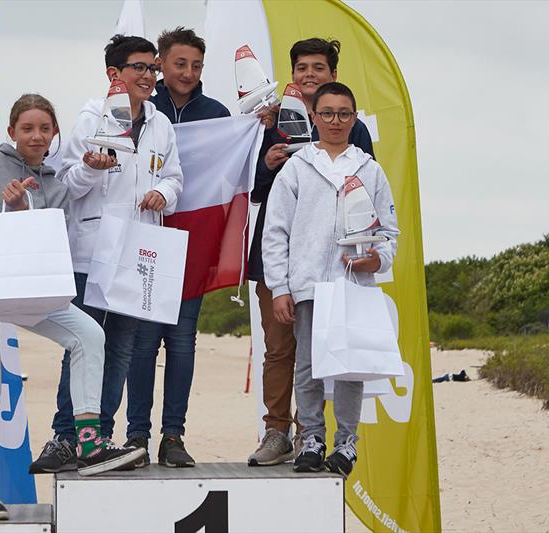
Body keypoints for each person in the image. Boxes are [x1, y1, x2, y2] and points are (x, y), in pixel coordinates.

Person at [0, 94, 144, 520]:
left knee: (89, 334)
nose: (36, 136)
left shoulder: (57, 186)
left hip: (23, 287)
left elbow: (49, 246)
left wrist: (20, 210)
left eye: (44, 129)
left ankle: (88, 442)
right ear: (11, 132)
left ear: (55, 135)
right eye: (27, 128)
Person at [29, 35, 183, 474]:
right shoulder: (90, 118)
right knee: (81, 343)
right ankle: (64, 436)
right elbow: (64, 183)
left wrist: (162, 192)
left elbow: (175, 178)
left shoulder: (160, 123)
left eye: (153, 69)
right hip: (91, 251)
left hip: (140, 250)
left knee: (121, 349)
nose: (149, 77)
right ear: (114, 74)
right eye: (140, 67)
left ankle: (99, 438)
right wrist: (89, 170)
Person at [248, 38, 376, 467]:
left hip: (339, 268)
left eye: (318, 68)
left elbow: (363, 203)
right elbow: (255, 195)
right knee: (282, 349)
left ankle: (314, 437)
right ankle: (276, 432)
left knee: (334, 353)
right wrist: (267, 165)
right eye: (301, 67)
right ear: (292, 74)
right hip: (282, 257)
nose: (308, 75)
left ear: (332, 75)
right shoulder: (271, 122)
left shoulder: (350, 129)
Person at [262, 82, 398, 478]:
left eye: (343, 114)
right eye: (327, 113)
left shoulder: (370, 169)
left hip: (352, 285)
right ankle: (312, 439)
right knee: (307, 366)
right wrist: (281, 288)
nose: (335, 121)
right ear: (313, 117)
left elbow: (388, 231)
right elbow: (276, 232)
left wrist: (378, 260)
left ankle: (346, 443)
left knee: (350, 366)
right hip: (308, 285)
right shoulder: (297, 167)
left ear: (354, 119)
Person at [122, 27, 230, 469]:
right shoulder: (140, 109)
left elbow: (236, 173)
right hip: (145, 239)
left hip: (194, 243)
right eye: (179, 63)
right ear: (160, 64)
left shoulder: (219, 114)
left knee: (182, 343)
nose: (187, 72)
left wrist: (255, 132)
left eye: (196, 65)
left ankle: (173, 437)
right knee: (142, 344)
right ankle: (135, 438)